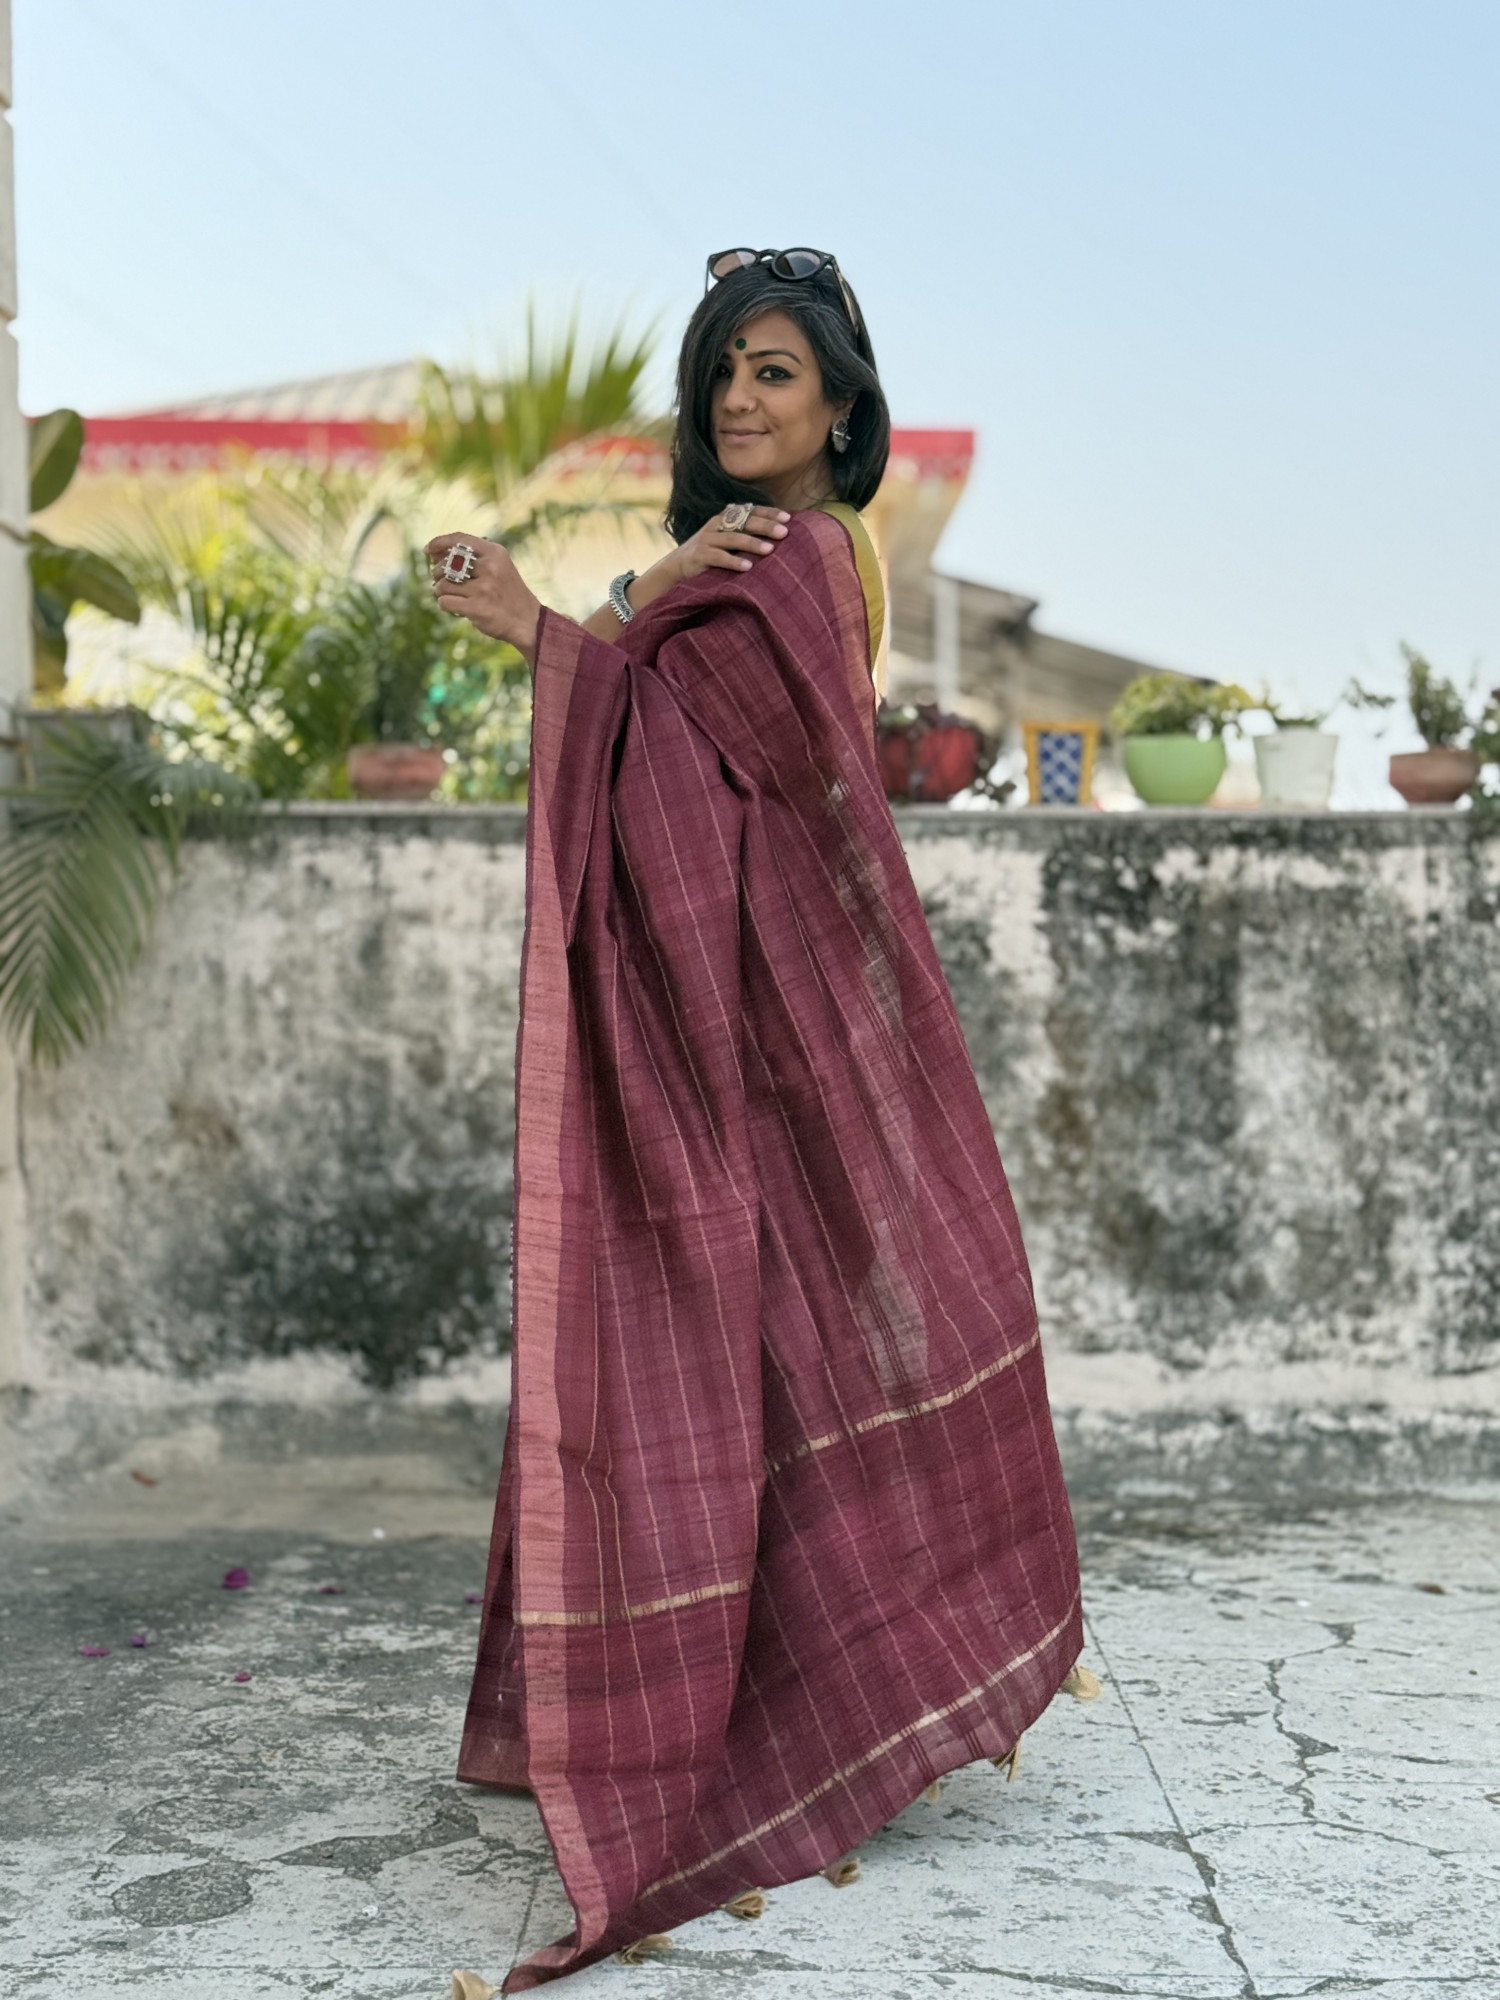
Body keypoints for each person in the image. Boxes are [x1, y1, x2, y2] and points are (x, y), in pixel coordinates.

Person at [426, 248, 1082, 1993]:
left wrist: (552, 623)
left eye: (776, 371)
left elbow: (710, 758)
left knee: (766, 1332)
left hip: (765, 1000)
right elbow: (666, 728)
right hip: (758, 993)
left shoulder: (795, 557)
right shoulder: (747, 559)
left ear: (842, 407)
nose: (738, 397)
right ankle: (820, 1696)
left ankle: (828, 1708)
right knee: (768, 1338)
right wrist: (631, 595)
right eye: (722, 370)